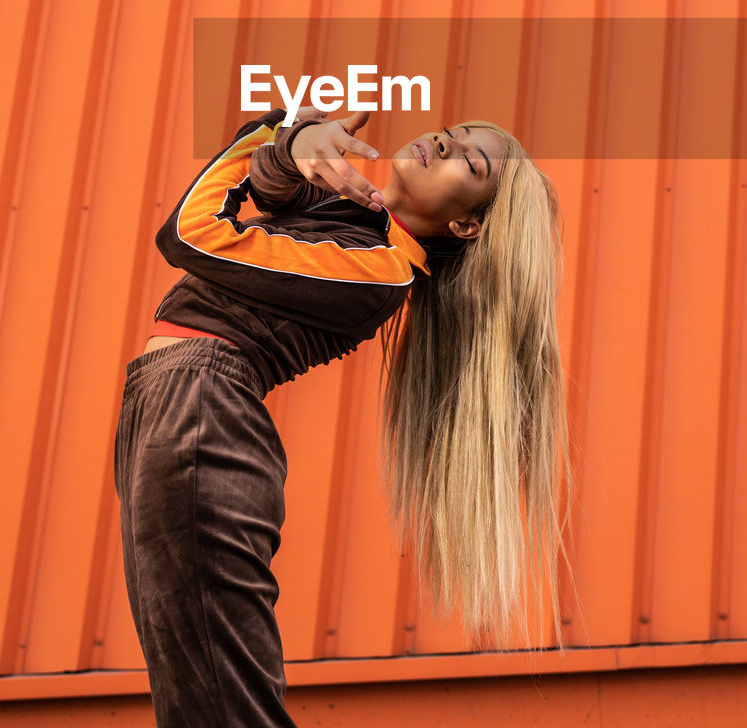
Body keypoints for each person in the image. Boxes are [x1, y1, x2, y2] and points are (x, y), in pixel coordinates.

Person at [114, 107, 568, 728]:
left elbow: (194, 236)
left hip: (202, 410)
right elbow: (275, 185)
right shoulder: (349, 213)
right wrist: (294, 140)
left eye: (471, 159)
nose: (445, 139)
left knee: (219, 697)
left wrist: (269, 144)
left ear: (466, 224)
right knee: (189, 683)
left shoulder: (379, 272)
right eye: (455, 131)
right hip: (168, 403)